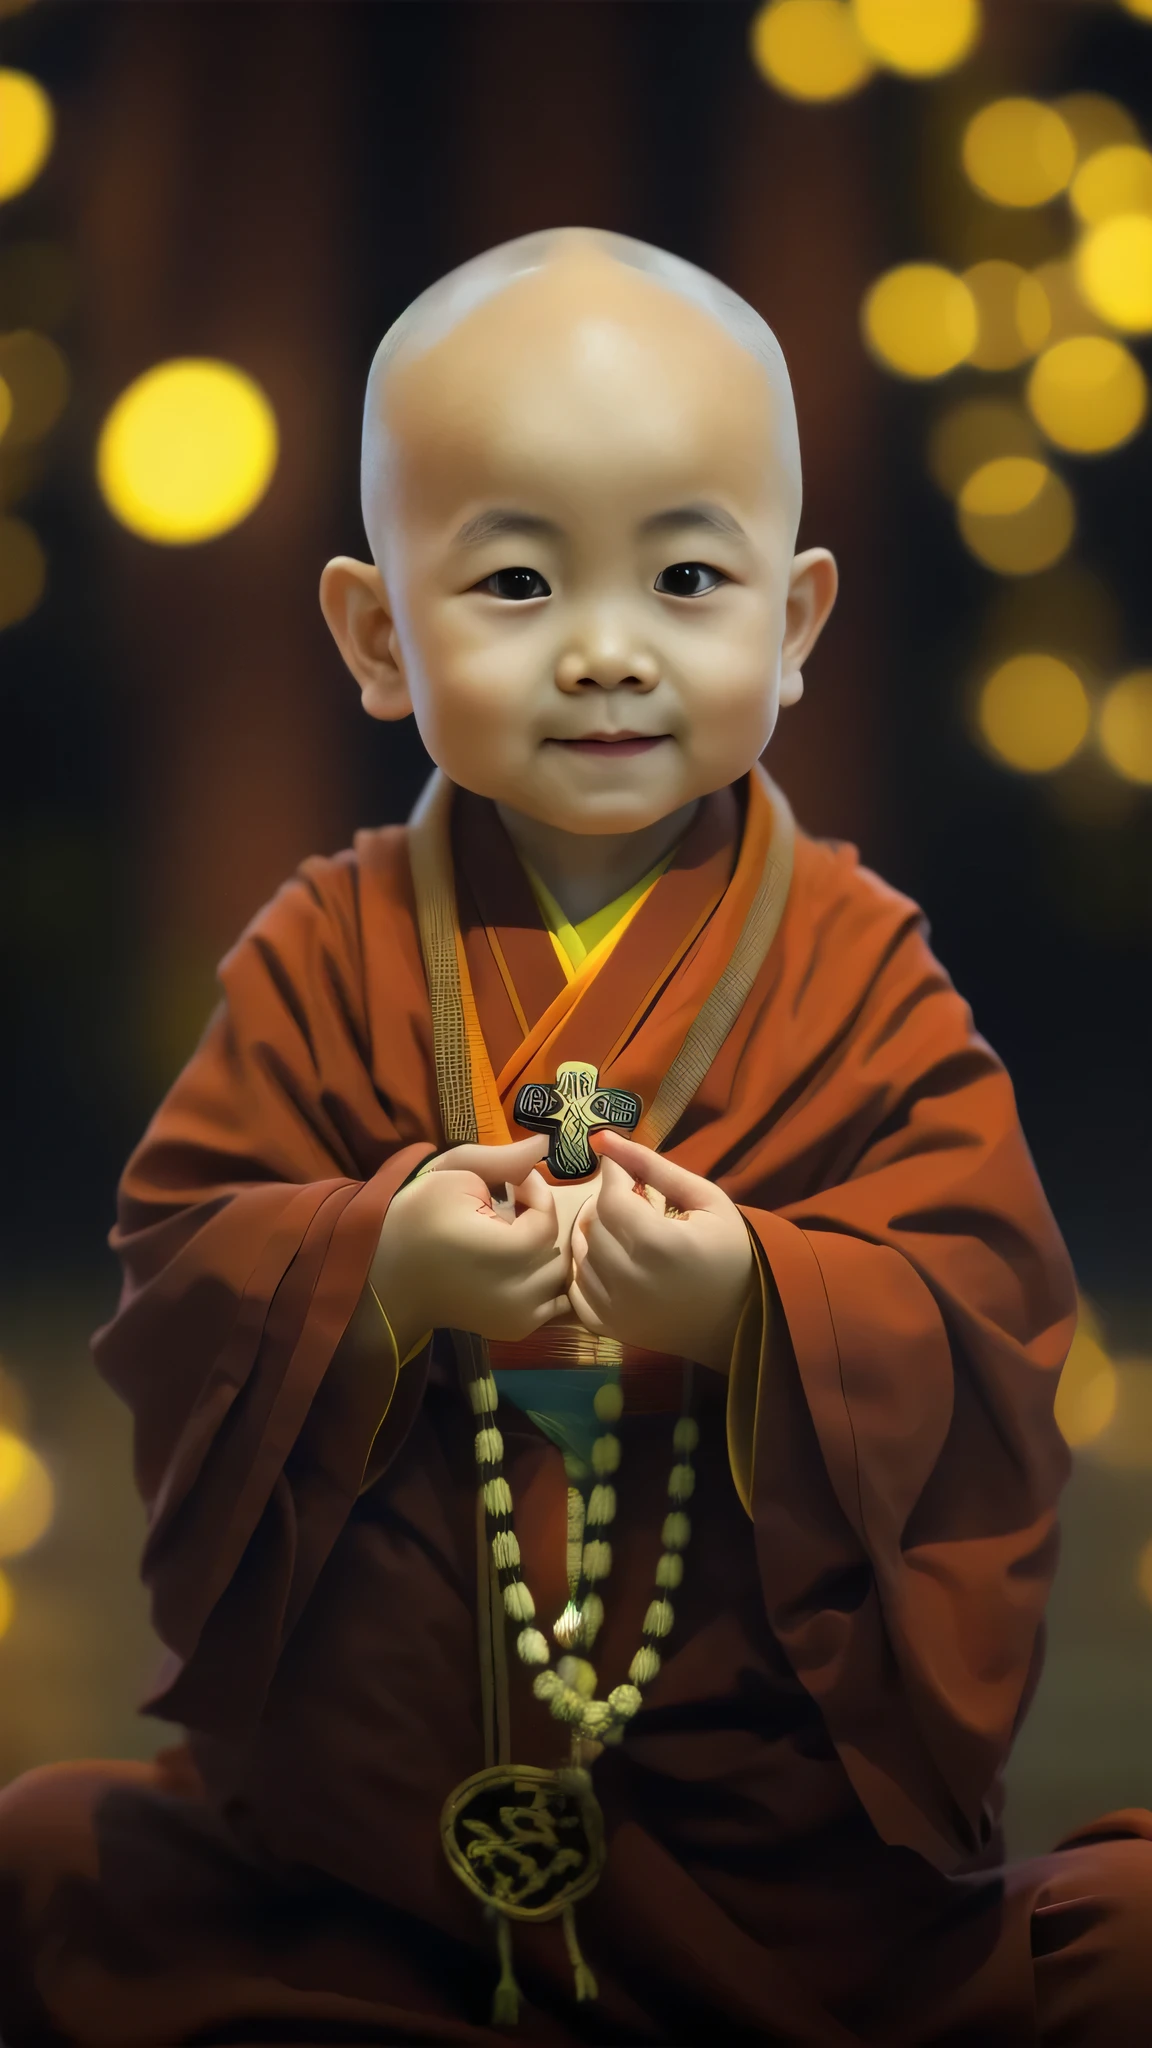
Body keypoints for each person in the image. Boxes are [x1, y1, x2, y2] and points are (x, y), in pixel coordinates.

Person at [1, 227, 1150, 2048]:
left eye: (688, 576)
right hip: (371, 1857)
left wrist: (763, 1307)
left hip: (766, 1857)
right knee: (48, 1863)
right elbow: (178, 1270)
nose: (609, 653)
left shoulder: (864, 977)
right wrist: (371, 1271)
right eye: (519, 585)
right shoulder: (321, 955)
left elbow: (989, 1317)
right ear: (380, 637)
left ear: (795, 625)